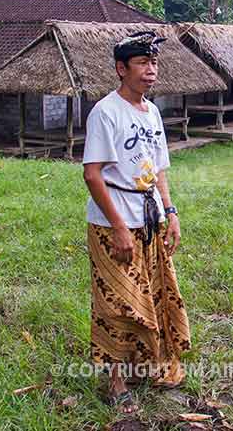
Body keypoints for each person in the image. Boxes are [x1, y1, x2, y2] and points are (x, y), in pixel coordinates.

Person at [81, 31, 191, 414]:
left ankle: (144, 365)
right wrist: (120, 228)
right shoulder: (105, 112)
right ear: (120, 68)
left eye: (154, 63)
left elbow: (159, 168)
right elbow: (93, 175)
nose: (151, 71)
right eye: (143, 63)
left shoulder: (152, 111)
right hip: (115, 223)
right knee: (118, 302)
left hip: (149, 219)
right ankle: (115, 383)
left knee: (153, 294)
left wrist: (170, 212)